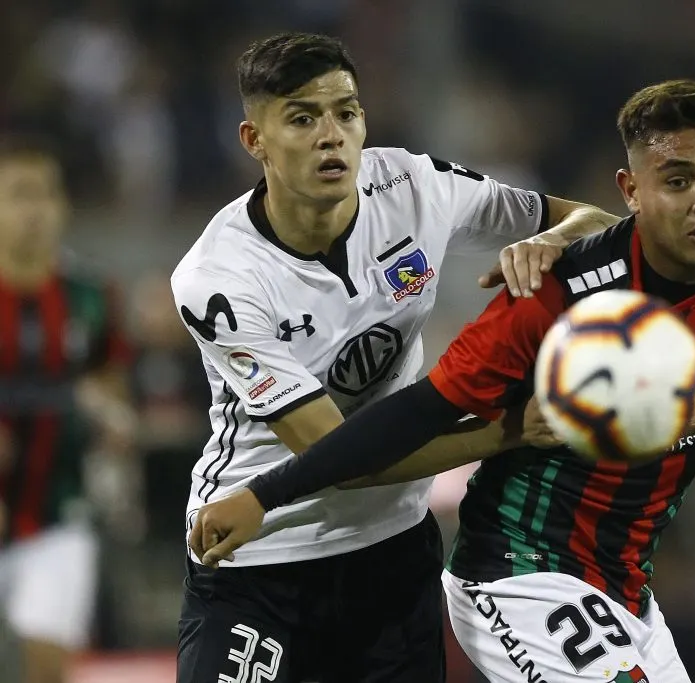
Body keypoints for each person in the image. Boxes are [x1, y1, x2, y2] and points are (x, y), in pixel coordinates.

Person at [189, 77, 695, 681]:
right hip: (521, 570)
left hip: (624, 587)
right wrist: (265, 494)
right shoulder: (556, 295)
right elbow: (417, 412)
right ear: (631, 191)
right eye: (677, 182)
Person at [171, 32, 619, 683]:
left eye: (346, 113)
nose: (331, 136)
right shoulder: (218, 279)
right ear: (254, 140)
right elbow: (338, 458)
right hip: (260, 558)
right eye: (302, 118)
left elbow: (601, 225)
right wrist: (508, 430)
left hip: (393, 553)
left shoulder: (414, 186)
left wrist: (551, 241)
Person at [0, 138, 134, 683]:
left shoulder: (90, 295)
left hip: (59, 511)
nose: (35, 210)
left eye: (46, 194)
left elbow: (112, 386)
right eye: (19, 194)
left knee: (45, 666)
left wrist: (113, 420)